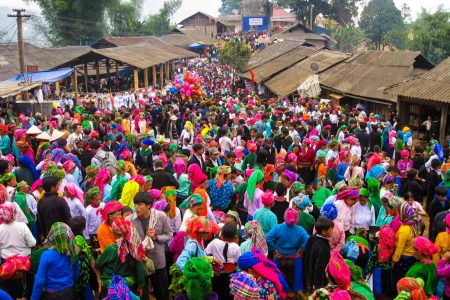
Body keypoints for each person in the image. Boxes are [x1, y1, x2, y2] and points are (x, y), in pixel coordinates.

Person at [127, 191, 173, 300]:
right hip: (139, 262)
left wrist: (156, 237)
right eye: (135, 204)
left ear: (148, 206)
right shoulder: (129, 220)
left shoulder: (160, 216)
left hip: (157, 261)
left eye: (140, 204)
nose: (136, 207)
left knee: (161, 293)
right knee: (142, 294)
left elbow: (169, 235)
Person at [96, 218, 145, 298]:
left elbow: (98, 264)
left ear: (115, 233)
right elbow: (139, 269)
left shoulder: (110, 249)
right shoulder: (135, 249)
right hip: (128, 286)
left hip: (110, 286)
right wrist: (140, 285)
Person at [266, 208, 309, 296]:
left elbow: (268, 237)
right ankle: (297, 292)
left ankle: (278, 292)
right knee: (297, 277)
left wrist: (274, 249)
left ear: (285, 217)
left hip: (279, 256)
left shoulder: (278, 227)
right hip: (295, 257)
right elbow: (307, 238)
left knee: (277, 277)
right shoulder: (300, 229)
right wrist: (301, 250)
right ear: (297, 219)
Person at [31, 222, 80, 300]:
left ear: (52, 237)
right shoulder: (73, 252)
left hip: (51, 295)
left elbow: (39, 281)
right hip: (70, 292)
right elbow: (76, 274)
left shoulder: (47, 255)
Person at [0, 203, 36, 299]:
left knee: (8, 290)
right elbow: (32, 243)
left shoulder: (0, 229)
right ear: (14, 213)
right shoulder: (22, 226)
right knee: (27, 286)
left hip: (7, 263)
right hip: (24, 262)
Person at [205, 222, 241, 300]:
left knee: (215, 291)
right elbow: (238, 261)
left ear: (222, 233)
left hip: (215, 273)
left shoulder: (214, 242)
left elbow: (206, 252)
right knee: (227, 294)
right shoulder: (236, 247)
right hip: (229, 275)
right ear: (235, 236)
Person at [303, 217, 334, 294]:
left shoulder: (313, 237)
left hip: (308, 274)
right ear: (323, 231)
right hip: (317, 280)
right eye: (331, 229)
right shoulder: (323, 247)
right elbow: (319, 267)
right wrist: (318, 286)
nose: (332, 231)